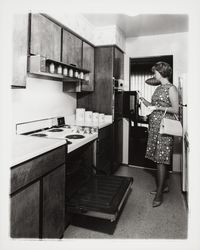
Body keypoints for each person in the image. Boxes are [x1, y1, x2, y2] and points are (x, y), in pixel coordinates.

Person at [140, 61, 179, 207]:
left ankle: (159, 194)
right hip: (155, 126)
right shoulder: (159, 88)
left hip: (165, 127)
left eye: (155, 71)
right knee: (157, 159)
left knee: (161, 160)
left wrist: (157, 107)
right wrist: (144, 101)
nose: (154, 74)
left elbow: (175, 109)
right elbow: (153, 107)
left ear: (161, 72)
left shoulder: (171, 88)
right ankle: (164, 187)